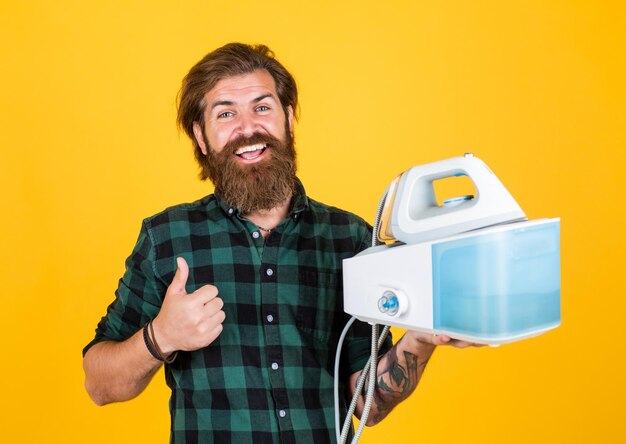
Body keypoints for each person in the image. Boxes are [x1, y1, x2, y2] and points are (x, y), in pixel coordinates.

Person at [83, 43, 473, 444]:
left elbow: (368, 404)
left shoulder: (351, 239)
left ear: (288, 118)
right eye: (226, 113)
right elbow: (99, 384)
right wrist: (160, 336)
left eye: (262, 107)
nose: (248, 127)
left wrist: (423, 338)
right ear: (201, 136)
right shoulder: (167, 237)